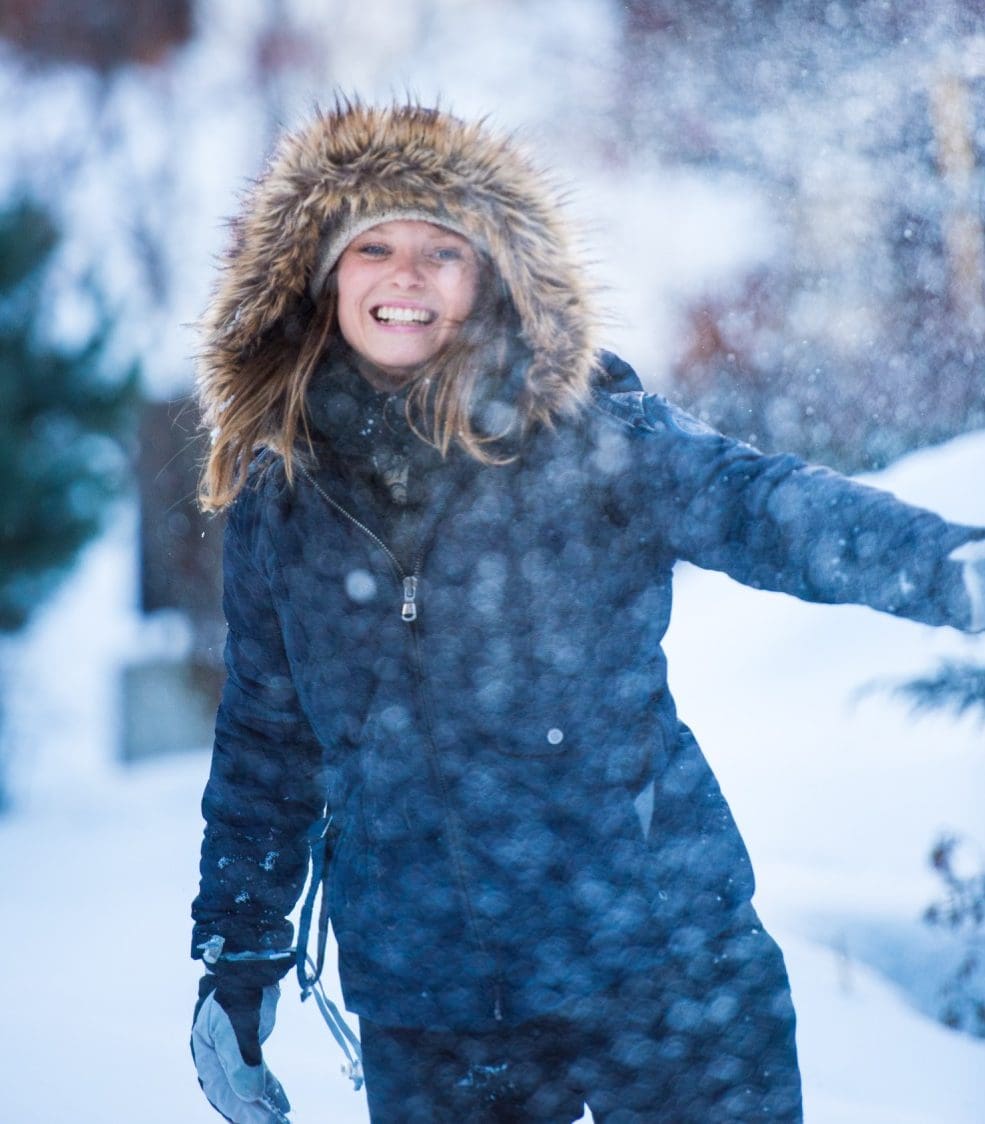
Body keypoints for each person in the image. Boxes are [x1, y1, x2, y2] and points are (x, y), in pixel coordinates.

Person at [189, 99, 985, 1123]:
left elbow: (765, 505)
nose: (404, 275)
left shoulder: (586, 438)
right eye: (371, 245)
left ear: (489, 278)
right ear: (319, 277)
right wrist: (236, 960)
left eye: (443, 249)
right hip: (429, 1009)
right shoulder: (284, 500)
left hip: (660, 971)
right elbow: (266, 740)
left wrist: (948, 566)